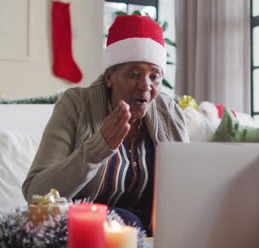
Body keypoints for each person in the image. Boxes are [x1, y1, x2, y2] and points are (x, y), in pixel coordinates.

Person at [22, 15, 189, 232]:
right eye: (134, 74)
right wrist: (98, 147)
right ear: (109, 77)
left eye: (154, 76)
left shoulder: (170, 113)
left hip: (157, 234)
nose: (145, 86)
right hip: (87, 229)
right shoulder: (75, 105)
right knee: (129, 221)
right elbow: (36, 194)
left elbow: (187, 189)